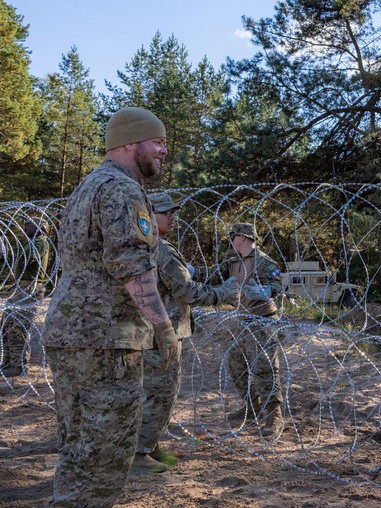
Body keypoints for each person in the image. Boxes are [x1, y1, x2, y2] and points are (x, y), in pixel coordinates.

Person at [43, 107, 181, 507]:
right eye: (157, 142)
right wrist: (163, 326)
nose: (163, 151)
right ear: (129, 143)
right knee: (103, 456)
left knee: (80, 447)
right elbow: (132, 266)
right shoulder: (120, 189)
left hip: (76, 335)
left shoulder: (89, 185)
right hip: (105, 339)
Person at [131, 193, 240, 474]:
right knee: (160, 393)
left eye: (174, 211)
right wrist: (222, 293)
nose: (173, 216)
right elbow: (187, 291)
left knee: (152, 392)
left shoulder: (141, 247)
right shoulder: (161, 251)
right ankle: (139, 455)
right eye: (165, 212)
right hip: (162, 334)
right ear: (147, 216)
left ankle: (148, 445)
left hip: (147, 331)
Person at [192, 222, 284, 436]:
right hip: (242, 321)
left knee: (264, 368)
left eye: (232, 237)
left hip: (263, 321)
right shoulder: (233, 262)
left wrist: (267, 290)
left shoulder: (263, 262)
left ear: (243, 237)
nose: (231, 241)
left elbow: (278, 282)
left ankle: (274, 416)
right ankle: (252, 407)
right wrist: (190, 271)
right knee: (236, 365)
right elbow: (213, 275)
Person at [1, 217, 50, 377]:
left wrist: (7, 250)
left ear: (39, 227)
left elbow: (23, 258)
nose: (25, 227)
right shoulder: (31, 243)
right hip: (21, 287)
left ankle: (18, 365)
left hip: (30, 288)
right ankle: (8, 363)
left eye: (28, 224)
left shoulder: (41, 243)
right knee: (7, 325)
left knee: (18, 326)